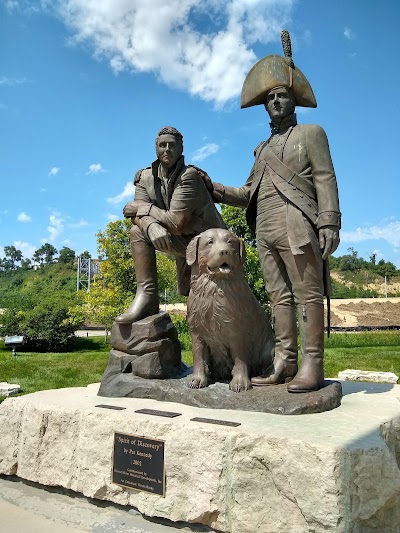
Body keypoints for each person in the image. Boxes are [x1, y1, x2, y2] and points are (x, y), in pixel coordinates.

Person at [212, 31, 341, 393]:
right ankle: (284, 362)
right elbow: (246, 193)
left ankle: (312, 364)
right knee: (278, 297)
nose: (276, 102)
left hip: (297, 223)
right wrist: (213, 188)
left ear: (293, 101)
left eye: (282, 96)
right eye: (270, 99)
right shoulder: (261, 148)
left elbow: (325, 177)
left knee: (307, 295)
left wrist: (329, 221)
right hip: (265, 229)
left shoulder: (311, 134)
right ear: (265, 107)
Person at [116, 126, 226, 324]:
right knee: (137, 232)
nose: (167, 149)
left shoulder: (189, 176)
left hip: (210, 246)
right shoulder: (145, 177)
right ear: (156, 149)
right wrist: (151, 226)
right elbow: (134, 214)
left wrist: (147, 209)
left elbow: (175, 222)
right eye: (162, 145)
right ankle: (147, 297)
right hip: (185, 241)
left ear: (181, 149)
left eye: (172, 145)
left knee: (211, 304)